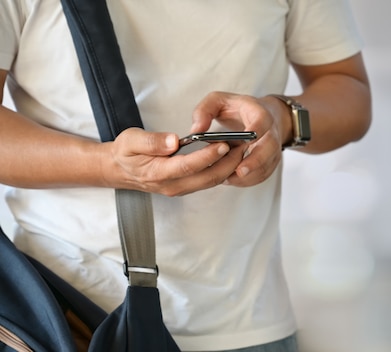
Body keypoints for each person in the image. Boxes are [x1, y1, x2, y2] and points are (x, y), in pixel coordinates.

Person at [0, 0, 371, 351]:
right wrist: (107, 165)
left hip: (251, 325)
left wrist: (281, 119)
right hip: (67, 322)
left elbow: (349, 93)